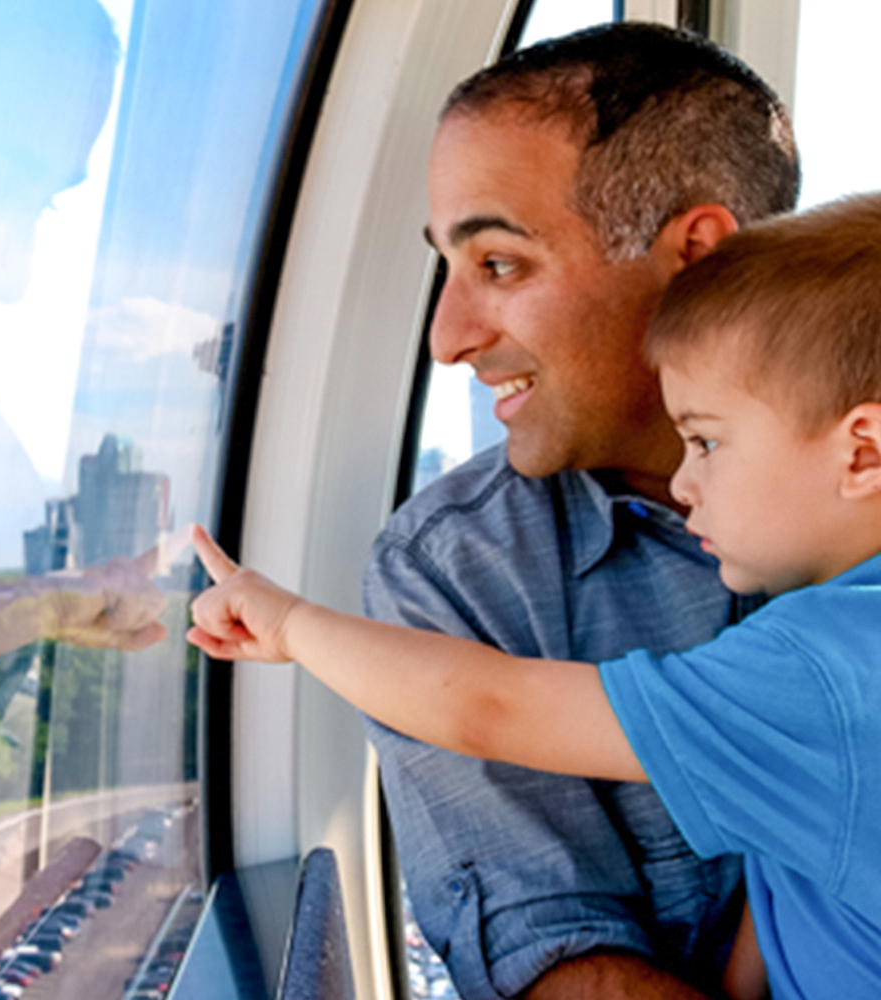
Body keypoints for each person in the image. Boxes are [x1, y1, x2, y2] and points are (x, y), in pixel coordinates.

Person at [186, 192, 881, 1000]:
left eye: (707, 441)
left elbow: (491, 707)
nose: (686, 483)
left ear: (862, 452)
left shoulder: (818, 673)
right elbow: (792, 882)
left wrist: (293, 625)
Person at [357, 22, 800, 1000]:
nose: (447, 337)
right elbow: (556, 956)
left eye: (498, 265)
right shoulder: (452, 570)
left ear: (698, 261)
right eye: (444, 266)